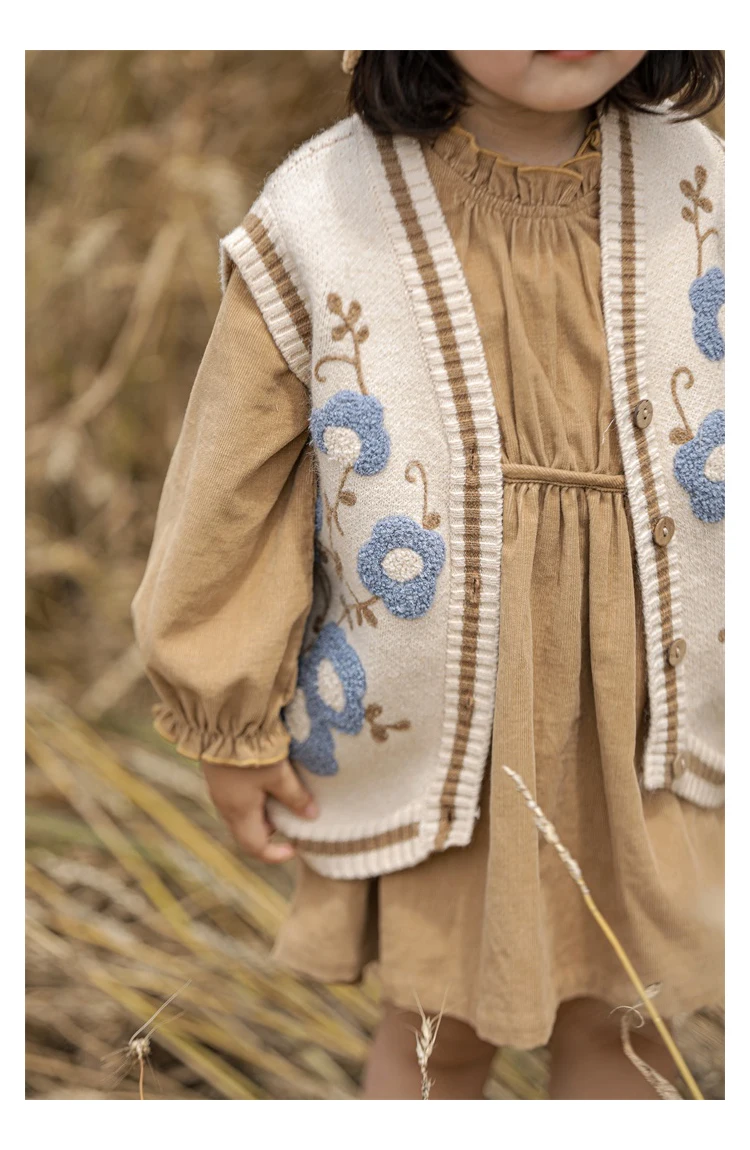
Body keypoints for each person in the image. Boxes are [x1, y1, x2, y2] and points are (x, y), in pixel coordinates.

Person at [131, 51, 725, 1099]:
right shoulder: (325, 214)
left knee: (628, 1025)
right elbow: (233, 489)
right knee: (439, 1034)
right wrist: (227, 713)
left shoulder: (708, 186)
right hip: (452, 745)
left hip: (646, 727)